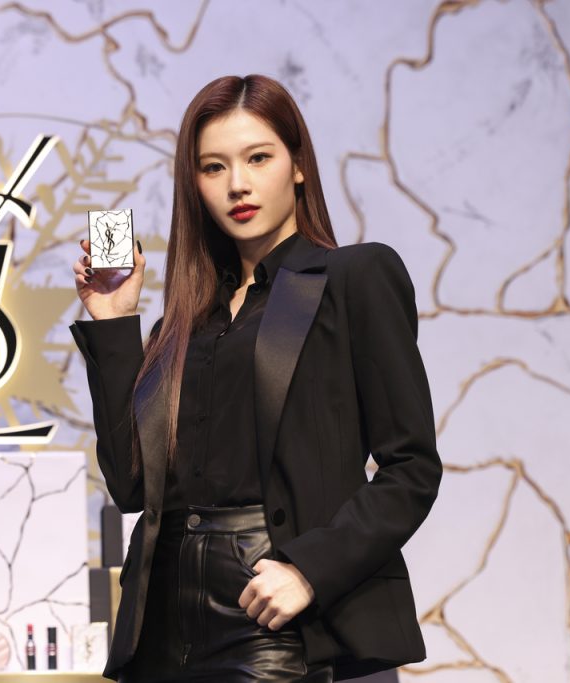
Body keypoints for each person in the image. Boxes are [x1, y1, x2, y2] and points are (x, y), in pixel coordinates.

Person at [69, 74, 441, 683]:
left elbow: (412, 468)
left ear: (298, 165)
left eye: (258, 158)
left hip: (274, 608)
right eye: (213, 167)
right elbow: (132, 488)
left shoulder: (353, 278)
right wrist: (113, 321)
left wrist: (310, 570)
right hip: (162, 620)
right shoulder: (182, 325)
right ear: (194, 184)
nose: (237, 184)